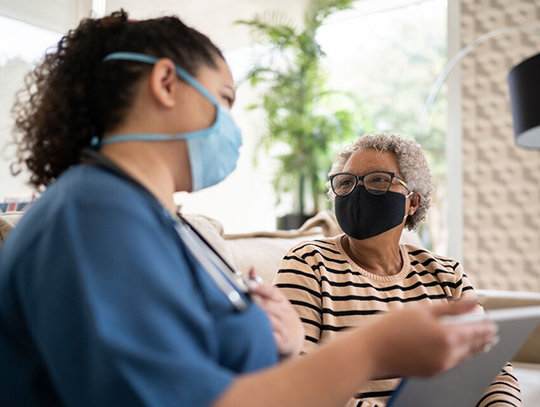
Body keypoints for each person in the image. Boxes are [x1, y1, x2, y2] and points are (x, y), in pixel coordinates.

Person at [0, 11, 496, 407]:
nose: (232, 127)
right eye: (224, 98)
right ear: (167, 83)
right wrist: (372, 349)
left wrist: (278, 344)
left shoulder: (164, 226)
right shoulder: (93, 219)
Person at [274, 133, 521, 407]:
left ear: (412, 202)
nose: (357, 191)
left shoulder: (446, 274)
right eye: (345, 182)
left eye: (377, 180)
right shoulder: (309, 263)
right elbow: (294, 378)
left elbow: (493, 370)